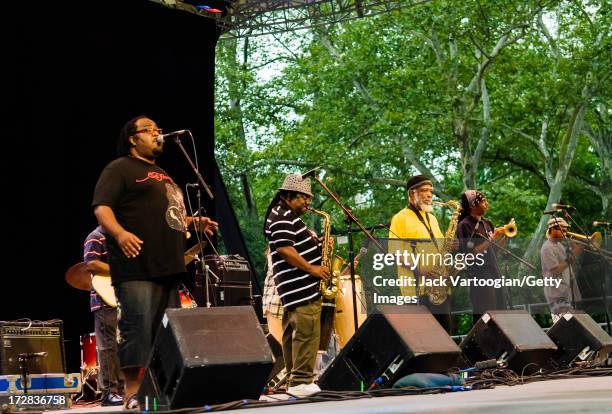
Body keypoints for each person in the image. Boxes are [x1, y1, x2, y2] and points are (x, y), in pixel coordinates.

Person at [92, 115, 218, 409]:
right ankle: (133, 391)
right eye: (149, 130)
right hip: (137, 265)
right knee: (137, 329)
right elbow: (102, 208)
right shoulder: (120, 168)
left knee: (167, 333)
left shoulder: (162, 172)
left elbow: (168, 215)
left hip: (168, 266)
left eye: (158, 130)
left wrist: (192, 222)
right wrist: (121, 234)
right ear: (133, 139)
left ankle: (163, 389)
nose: (157, 134)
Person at [263, 173, 330, 397]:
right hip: (301, 286)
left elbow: (291, 244)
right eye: (304, 197)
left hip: (296, 288)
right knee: (307, 332)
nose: (308, 202)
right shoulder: (282, 216)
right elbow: (285, 249)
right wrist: (313, 269)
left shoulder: (284, 215)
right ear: (289, 195)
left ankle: (295, 380)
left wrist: (316, 243)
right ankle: (301, 380)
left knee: (294, 333)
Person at [389, 175, 452, 333]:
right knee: (424, 337)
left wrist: (449, 245)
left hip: (437, 286)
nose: (430, 194)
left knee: (445, 335)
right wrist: (419, 269)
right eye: (424, 190)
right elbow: (394, 252)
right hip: (416, 289)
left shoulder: (432, 218)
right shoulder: (399, 218)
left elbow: (440, 247)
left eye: (431, 191)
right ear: (412, 194)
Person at [83, 226, 123, 406]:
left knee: (121, 346)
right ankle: (109, 392)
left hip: (120, 297)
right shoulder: (95, 237)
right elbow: (91, 263)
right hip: (103, 298)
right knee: (107, 346)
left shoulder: (118, 238)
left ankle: (121, 388)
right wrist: (118, 270)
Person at [456, 190, 507, 324]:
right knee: (486, 314)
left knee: (500, 310)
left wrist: (506, 236)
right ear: (473, 205)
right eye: (483, 201)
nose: (487, 204)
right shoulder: (464, 225)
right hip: (480, 275)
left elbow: (493, 251)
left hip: (494, 271)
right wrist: (492, 238)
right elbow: (470, 255)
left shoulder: (487, 223)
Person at [541, 217, 584, 323]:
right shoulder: (547, 247)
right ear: (553, 230)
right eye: (562, 230)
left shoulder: (559, 245)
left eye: (566, 230)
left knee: (570, 323)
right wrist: (574, 255)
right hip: (556, 292)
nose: (565, 233)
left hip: (565, 291)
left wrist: (576, 246)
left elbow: (568, 263)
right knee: (563, 323)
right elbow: (555, 270)